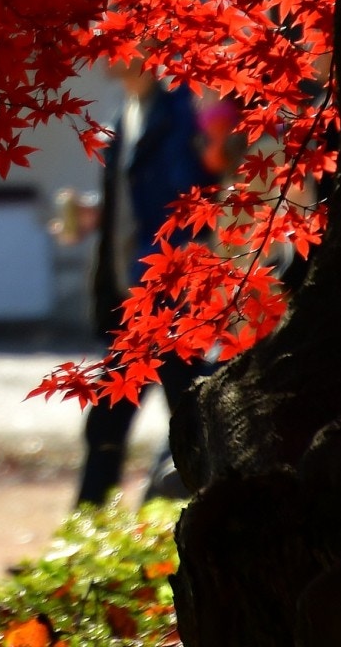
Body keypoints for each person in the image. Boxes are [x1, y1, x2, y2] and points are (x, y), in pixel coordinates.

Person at [75, 59, 212, 507]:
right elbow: (140, 198)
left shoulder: (180, 111)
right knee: (111, 418)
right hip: (136, 296)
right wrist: (99, 214)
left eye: (120, 31)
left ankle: (205, 520)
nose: (105, 42)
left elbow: (194, 196)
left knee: (190, 419)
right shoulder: (128, 113)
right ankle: (91, 528)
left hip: (172, 297)